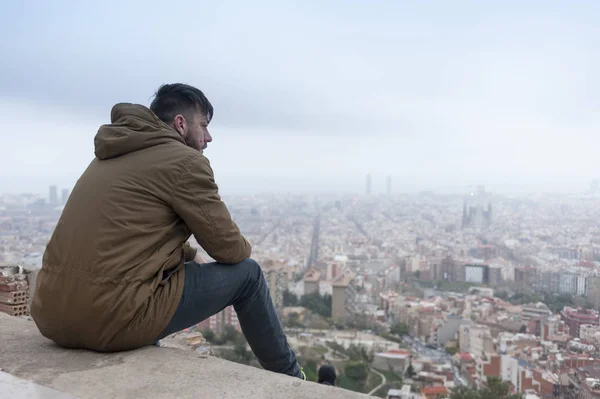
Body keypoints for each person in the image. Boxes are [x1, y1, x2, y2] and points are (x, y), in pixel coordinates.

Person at [30, 83, 303, 379]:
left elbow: (131, 235)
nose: (208, 137)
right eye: (204, 126)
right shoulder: (185, 162)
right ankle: (294, 379)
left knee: (169, 274)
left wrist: (188, 253)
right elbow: (230, 249)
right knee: (249, 274)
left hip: (53, 316)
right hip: (109, 320)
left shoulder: (108, 155)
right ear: (181, 124)